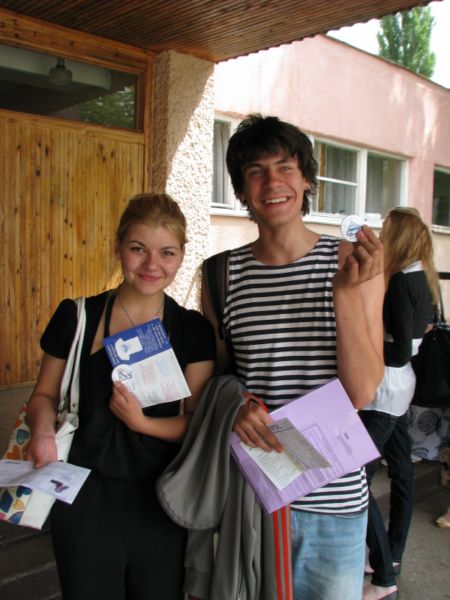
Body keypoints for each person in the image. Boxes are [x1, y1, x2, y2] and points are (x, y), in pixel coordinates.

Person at [201, 115, 385, 600]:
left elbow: (362, 391)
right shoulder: (221, 274)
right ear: (241, 189)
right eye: (256, 172)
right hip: (256, 493)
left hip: (335, 500)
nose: (272, 183)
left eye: (285, 167)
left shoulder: (352, 262)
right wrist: (235, 405)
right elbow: (217, 378)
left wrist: (344, 294)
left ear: (306, 179)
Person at [26, 193, 215, 600]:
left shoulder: (192, 330)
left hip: (162, 498)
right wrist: (41, 433)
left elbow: (197, 424)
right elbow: (43, 395)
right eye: (138, 249)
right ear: (118, 247)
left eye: (167, 252)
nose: (151, 265)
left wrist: (141, 422)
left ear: (182, 256)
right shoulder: (77, 317)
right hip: (82, 495)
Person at [359, 207, 440, 600]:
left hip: (385, 390)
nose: (380, 235)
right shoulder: (422, 275)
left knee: (354, 479)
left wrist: (365, 344)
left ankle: (384, 574)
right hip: (397, 389)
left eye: (386, 229)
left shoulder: (402, 280)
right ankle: (391, 557)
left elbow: (400, 351)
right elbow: (418, 335)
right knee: (402, 474)